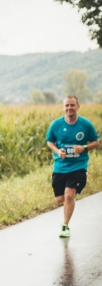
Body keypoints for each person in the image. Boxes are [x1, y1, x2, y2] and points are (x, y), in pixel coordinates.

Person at [46, 95, 99, 238]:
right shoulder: (56, 124)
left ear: (78, 106)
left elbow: (96, 142)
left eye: (72, 105)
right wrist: (58, 151)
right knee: (60, 199)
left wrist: (84, 147)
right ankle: (70, 202)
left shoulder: (85, 125)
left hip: (78, 166)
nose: (69, 108)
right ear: (64, 107)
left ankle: (65, 226)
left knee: (69, 195)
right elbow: (49, 142)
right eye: (67, 105)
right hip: (60, 166)